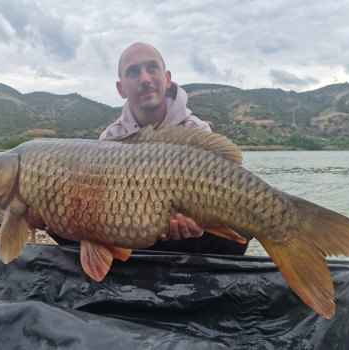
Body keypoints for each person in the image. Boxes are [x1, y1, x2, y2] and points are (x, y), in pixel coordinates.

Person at [100, 42, 251, 254]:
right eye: (133, 72)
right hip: (133, 232)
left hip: (189, 238)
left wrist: (201, 223)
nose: (145, 79)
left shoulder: (196, 130)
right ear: (121, 88)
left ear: (167, 78)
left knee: (240, 226)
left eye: (152, 68)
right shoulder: (110, 138)